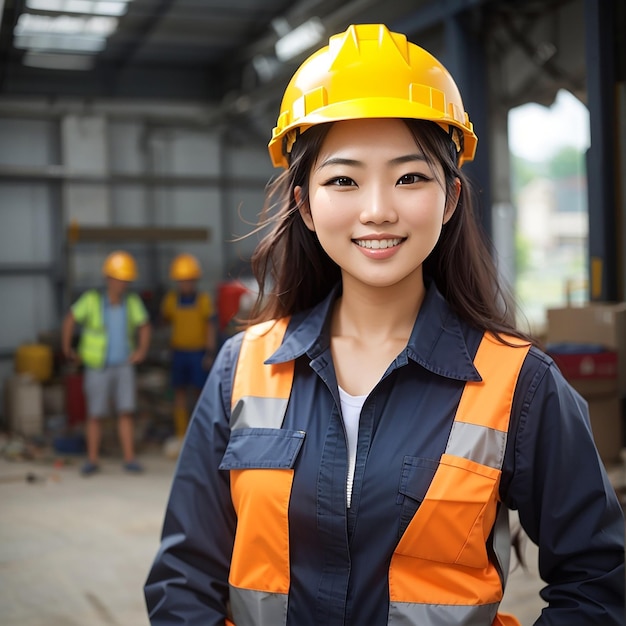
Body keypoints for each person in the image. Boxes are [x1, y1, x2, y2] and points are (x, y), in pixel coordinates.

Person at [144, 24, 624, 625]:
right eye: (343, 179)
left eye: (410, 177)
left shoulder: (519, 385)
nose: (377, 210)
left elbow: (597, 586)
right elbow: (184, 579)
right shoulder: (242, 369)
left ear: (449, 200)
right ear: (306, 205)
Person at [62, 250, 151, 476]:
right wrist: (67, 347)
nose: (123, 285)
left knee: (126, 412)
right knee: (95, 414)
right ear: (109, 279)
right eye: (120, 280)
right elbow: (71, 318)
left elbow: (144, 325)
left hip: (123, 366)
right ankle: (92, 459)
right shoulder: (92, 300)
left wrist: (141, 350)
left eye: (126, 281)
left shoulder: (131, 302)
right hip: (97, 366)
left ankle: (129, 458)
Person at [160, 253, 217, 442]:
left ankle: (200, 435)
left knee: (200, 394)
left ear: (195, 280)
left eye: (189, 281)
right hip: (179, 353)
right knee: (180, 393)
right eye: (182, 281)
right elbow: (165, 321)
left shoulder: (203, 301)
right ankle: (181, 434)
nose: (185, 285)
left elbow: (210, 326)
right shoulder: (171, 301)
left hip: (198, 353)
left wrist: (209, 353)